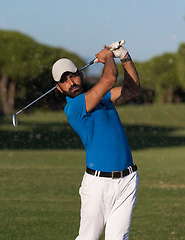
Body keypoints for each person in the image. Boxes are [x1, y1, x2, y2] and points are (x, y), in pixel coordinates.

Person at [52, 41, 140, 240]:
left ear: (80, 75)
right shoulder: (74, 108)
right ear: (59, 88)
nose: (71, 82)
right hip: (98, 185)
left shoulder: (104, 98)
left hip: (127, 181)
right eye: (64, 80)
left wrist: (125, 57)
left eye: (73, 75)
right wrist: (108, 56)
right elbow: (109, 78)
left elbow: (133, 90)